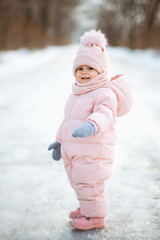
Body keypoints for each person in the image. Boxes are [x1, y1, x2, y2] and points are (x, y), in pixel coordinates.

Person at [48, 29, 133, 230]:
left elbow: (105, 114)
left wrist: (92, 125)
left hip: (94, 152)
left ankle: (95, 218)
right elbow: (67, 121)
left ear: (101, 71)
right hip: (76, 151)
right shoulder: (76, 94)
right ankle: (86, 208)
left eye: (90, 68)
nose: (84, 72)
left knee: (90, 184)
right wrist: (60, 141)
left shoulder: (104, 93)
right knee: (79, 181)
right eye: (80, 69)